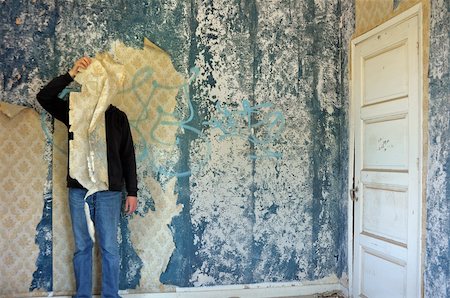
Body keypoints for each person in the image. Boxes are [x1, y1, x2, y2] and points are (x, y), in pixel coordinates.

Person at [37, 57, 138, 298]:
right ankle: (82, 295)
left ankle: (110, 295)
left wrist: (132, 192)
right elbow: (45, 98)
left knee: (110, 248)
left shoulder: (117, 117)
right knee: (82, 246)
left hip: (108, 192)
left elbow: (128, 156)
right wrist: (70, 74)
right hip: (79, 191)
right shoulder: (73, 110)